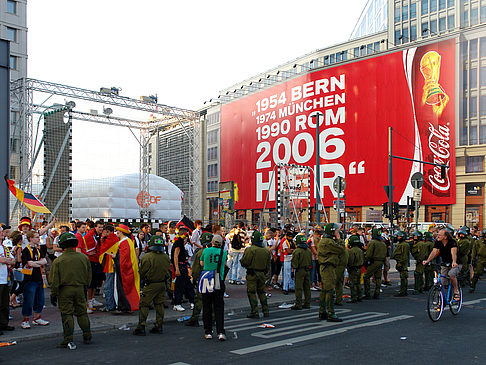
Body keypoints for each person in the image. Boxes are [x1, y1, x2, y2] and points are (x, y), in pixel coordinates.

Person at [49, 233, 92, 349]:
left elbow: (54, 280)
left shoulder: (59, 261)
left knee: (67, 314)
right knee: (82, 312)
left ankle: (68, 338)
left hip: (65, 290)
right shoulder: (83, 257)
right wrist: (85, 286)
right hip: (80, 289)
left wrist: (53, 293)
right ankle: (87, 335)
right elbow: (89, 275)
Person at [133, 235, 171, 336]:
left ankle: (141, 326)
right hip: (162, 284)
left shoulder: (147, 257)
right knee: (159, 305)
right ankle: (159, 325)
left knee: (144, 304)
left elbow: (142, 272)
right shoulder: (166, 257)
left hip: (150, 284)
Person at [199, 235, 227, 341]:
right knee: (219, 307)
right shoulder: (223, 253)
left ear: (212, 242)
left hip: (207, 278)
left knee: (207, 306)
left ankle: (208, 332)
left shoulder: (206, 251)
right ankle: (220, 332)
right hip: (218, 279)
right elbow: (225, 264)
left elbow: (201, 263)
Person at [21, 231, 49, 329]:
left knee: (40, 299)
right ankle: (25, 320)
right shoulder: (26, 250)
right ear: (31, 238)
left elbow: (44, 260)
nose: (38, 239)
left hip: (38, 278)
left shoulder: (38, 249)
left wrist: (36, 263)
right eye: (36, 237)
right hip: (29, 279)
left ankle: (37, 317)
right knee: (28, 300)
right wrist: (38, 263)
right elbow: (29, 263)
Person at [318, 223, 345, 322]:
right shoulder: (328, 242)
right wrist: (339, 239)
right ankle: (331, 313)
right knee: (330, 290)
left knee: (325, 290)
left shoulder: (327, 241)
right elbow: (341, 249)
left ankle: (322, 311)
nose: (338, 232)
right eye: (337, 231)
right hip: (328, 267)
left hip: (327, 267)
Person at [424, 228, 461, 299]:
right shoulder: (438, 242)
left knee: (451, 274)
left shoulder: (452, 242)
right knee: (442, 281)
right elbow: (434, 252)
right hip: (445, 263)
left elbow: (454, 253)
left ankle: (456, 291)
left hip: (456, 263)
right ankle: (442, 300)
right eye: (438, 234)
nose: (438, 236)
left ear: (445, 237)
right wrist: (427, 261)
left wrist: (454, 262)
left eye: (440, 235)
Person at [240, 231, 271, 318]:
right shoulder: (266, 251)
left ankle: (255, 311)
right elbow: (268, 265)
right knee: (262, 292)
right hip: (262, 274)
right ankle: (266, 310)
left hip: (252, 274)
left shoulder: (250, 250)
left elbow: (245, 262)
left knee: (252, 292)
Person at [185, 232, 213, 327]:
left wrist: (195, 279)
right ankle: (212, 319)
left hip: (203, 279)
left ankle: (195, 318)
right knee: (212, 300)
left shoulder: (200, 253)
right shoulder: (217, 251)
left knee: (199, 300)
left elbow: (196, 269)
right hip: (214, 278)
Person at [113, 224, 140, 313]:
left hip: (123, 270)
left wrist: (114, 257)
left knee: (121, 288)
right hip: (128, 268)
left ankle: (123, 307)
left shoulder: (124, 242)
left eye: (118, 231)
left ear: (121, 232)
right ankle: (127, 306)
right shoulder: (128, 241)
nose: (117, 232)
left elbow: (122, 258)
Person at [171, 226, 194, 311]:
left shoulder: (179, 242)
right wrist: (177, 269)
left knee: (187, 285)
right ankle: (177, 303)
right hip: (180, 267)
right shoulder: (178, 243)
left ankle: (192, 301)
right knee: (179, 286)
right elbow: (175, 256)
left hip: (183, 266)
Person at [99, 224, 119, 312]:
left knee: (108, 285)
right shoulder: (116, 238)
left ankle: (109, 305)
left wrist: (102, 241)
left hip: (110, 264)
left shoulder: (110, 240)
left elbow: (103, 249)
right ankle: (113, 304)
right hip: (114, 263)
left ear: (107, 231)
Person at [363, 228, 387, 300]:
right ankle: (377, 293)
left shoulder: (372, 243)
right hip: (381, 262)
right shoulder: (383, 244)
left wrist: (366, 261)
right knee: (378, 277)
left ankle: (367, 293)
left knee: (366, 276)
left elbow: (369, 254)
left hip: (373, 261)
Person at [290, 234, 312, 310]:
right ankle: (307, 303)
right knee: (307, 288)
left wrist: (293, 270)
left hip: (300, 270)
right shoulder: (308, 250)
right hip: (307, 270)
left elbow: (294, 263)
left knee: (298, 288)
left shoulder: (297, 251)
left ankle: (298, 304)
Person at [0, 228, 16, 333]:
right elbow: (2, 260)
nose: (2, 234)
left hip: (5, 279)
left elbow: (13, 260)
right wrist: (6, 260)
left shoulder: (4, 248)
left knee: (4, 303)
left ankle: (3, 324)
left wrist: (6, 260)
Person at [346, 235, 364, 303]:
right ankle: (359, 296)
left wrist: (349, 267)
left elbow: (350, 261)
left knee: (352, 283)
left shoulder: (351, 251)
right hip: (359, 268)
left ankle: (353, 297)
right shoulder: (360, 250)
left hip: (353, 268)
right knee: (358, 283)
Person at [392, 231, 410, 297]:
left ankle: (403, 291)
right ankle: (403, 290)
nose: (397, 237)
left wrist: (400, 263)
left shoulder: (404, 245)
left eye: (399, 236)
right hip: (401, 262)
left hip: (402, 263)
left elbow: (404, 255)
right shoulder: (402, 244)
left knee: (403, 277)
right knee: (403, 276)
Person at [334, 232, 348, 306]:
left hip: (337, 266)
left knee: (334, 283)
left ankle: (331, 299)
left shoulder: (339, 247)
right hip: (342, 266)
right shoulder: (344, 248)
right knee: (339, 284)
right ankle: (339, 299)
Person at [281, 229, 296, 295]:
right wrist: (293, 250)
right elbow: (289, 251)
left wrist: (292, 250)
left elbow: (293, 250)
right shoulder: (285, 242)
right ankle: (285, 288)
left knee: (292, 275)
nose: (291, 238)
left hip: (292, 259)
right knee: (287, 274)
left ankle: (292, 287)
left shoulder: (293, 242)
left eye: (291, 237)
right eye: (289, 237)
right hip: (287, 260)